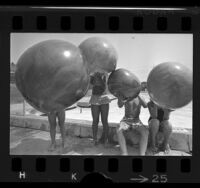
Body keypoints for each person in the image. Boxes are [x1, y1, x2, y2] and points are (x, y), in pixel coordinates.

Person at [116, 90, 149, 156]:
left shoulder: (139, 96)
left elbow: (145, 105)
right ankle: (124, 153)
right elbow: (120, 105)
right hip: (126, 120)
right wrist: (120, 97)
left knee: (145, 132)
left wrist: (138, 94)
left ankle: (142, 153)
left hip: (137, 121)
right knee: (118, 130)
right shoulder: (126, 95)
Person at [89, 71, 111, 146]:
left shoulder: (105, 73)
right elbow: (91, 84)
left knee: (104, 121)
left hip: (103, 97)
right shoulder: (93, 74)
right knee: (96, 120)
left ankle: (105, 140)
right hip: (95, 97)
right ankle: (95, 140)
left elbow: (105, 84)